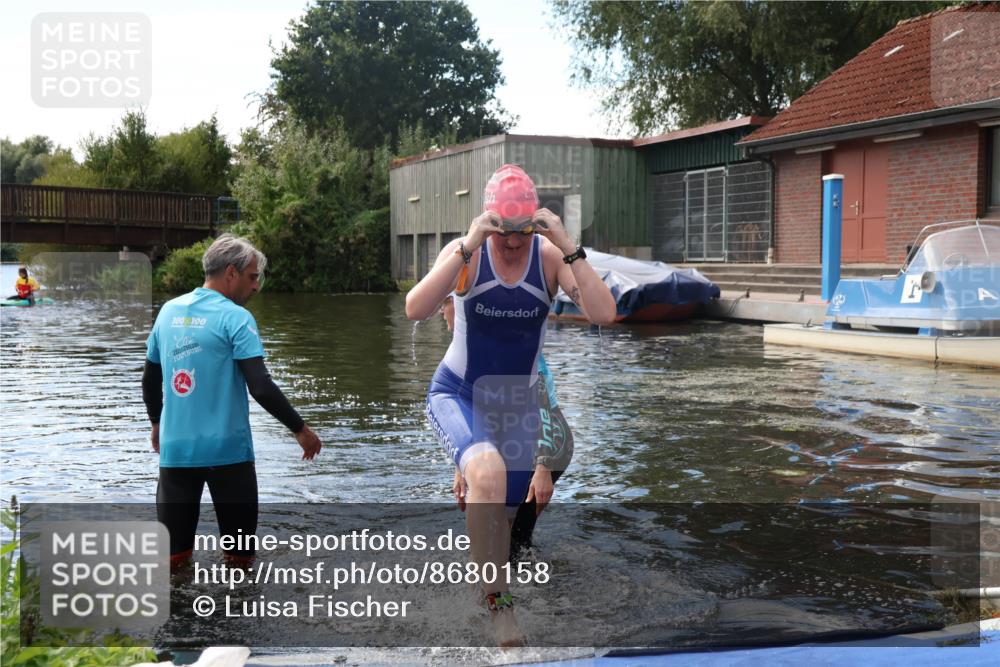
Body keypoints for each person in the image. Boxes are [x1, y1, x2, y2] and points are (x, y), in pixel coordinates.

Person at [406, 164, 615, 646]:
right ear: (490, 221)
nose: (515, 243)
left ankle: (483, 591)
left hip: (517, 407)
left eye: (523, 232)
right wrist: (467, 245)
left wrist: (567, 243)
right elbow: (416, 308)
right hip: (458, 393)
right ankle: (502, 613)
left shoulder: (549, 257)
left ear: (535, 223)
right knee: (486, 475)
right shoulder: (468, 252)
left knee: (502, 522)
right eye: (505, 233)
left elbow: (604, 313)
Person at [142, 234, 322, 567]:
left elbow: (150, 378)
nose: (256, 286)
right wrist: (301, 429)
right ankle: (238, 601)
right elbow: (260, 386)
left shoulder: (167, 312)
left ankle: (180, 601)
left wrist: (156, 423)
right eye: (252, 277)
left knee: (173, 561)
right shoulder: (235, 318)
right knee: (240, 561)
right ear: (230, 273)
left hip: (176, 451)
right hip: (228, 455)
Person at [440, 296, 574, 559]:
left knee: (512, 538)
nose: (440, 312)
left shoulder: (513, 347)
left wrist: (543, 469)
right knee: (505, 535)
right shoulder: (468, 350)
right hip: (514, 440)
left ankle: (523, 579)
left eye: (443, 304)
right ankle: (517, 575)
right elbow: (470, 410)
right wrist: (461, 465)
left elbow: (543, 407)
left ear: (459, 305)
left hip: (546, 443)